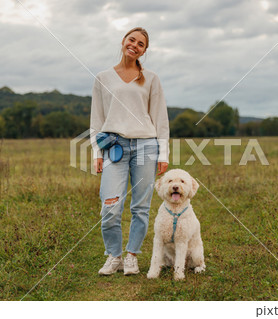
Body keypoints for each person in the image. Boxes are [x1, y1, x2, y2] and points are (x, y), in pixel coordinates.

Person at [90, 27, 170, 275]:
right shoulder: (103, 77)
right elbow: (96, 119)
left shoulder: (151, 79)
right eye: (131, 40)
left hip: (146, 145)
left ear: (144, 51)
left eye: (141, 44)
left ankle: (132, 256)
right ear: (123, 41)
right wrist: (96, 153)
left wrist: (163, 154)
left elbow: (160, 118)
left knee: (140, 207)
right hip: (114, 147)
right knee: (110, 205)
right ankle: (114, 256)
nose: (135, 45)